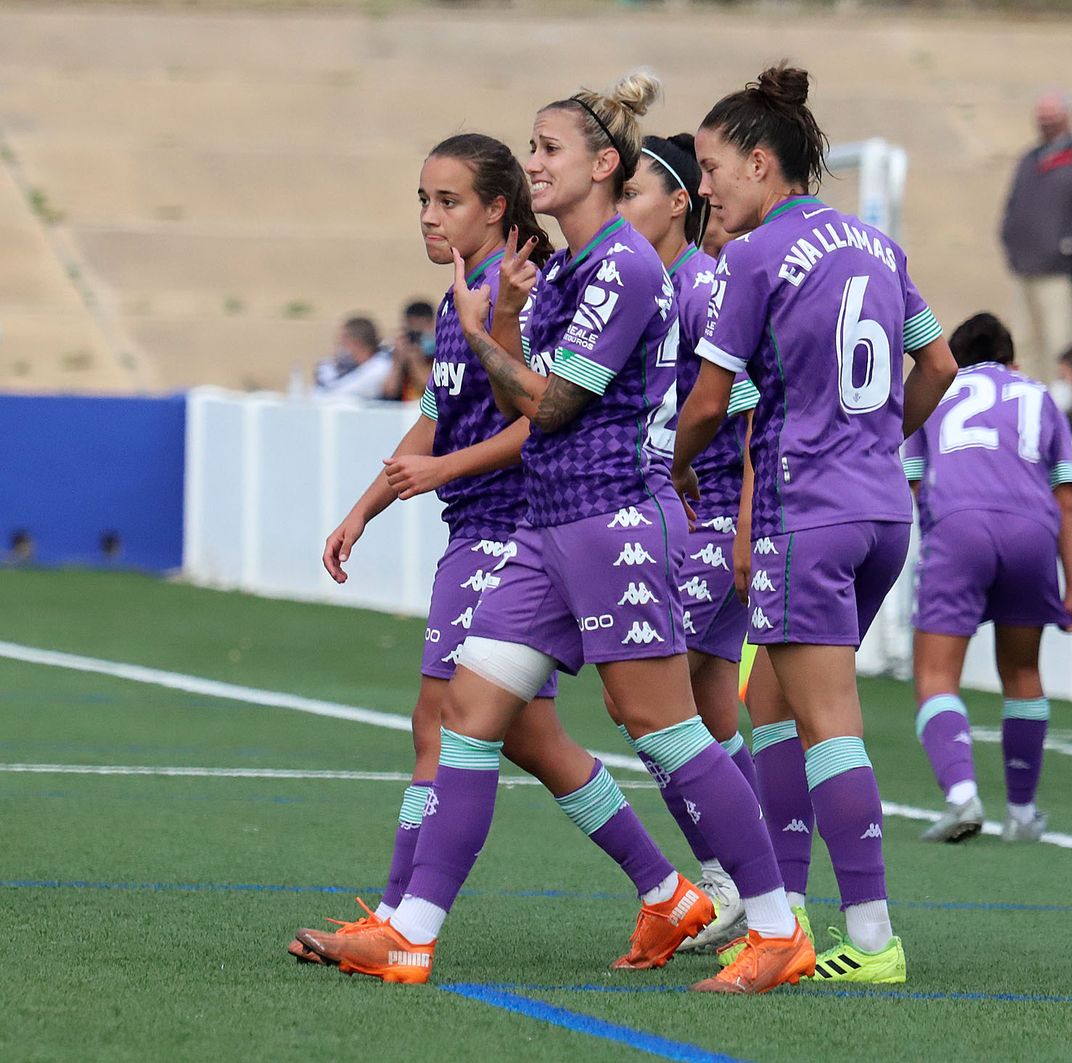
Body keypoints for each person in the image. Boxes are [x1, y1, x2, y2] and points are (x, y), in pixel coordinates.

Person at [300, 74, 801, 993]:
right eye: (530, 148)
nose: (533, 162)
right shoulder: (568, 269)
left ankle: (775, 924)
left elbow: (554, 405)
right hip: (546, 526)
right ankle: (409, 933)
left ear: (603, 166)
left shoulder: (626, 265)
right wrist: (499, 319)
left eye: (549, 149)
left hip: (612, 520)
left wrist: (481, 327)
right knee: (468, 715)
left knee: (663, 727)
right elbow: (513, 394)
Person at [291, 134, 687, 975]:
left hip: (512, 526)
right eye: (424, 201)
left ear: (497, 208)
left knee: (442, 722)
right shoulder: (458, 301)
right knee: (532, 740)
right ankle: (667, 893)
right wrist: (365, 506)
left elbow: (533, 417)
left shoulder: (528, 292)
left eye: (450, 201)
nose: (431, 218)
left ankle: (399, 917)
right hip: (481, 525)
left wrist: (436, 471)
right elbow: (437, 416)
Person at [676, 64, 958, 987]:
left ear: (763, 163)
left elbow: (711, 403)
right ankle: (786, 914)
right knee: (772, 706)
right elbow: (941, 366)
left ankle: (872, 939)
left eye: (713, 165)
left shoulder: (753, 258)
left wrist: (673, 465)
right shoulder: (877, 246)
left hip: (809, 513)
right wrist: (875, 438)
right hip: (881, 509)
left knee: (829, 721)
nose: (704, 184)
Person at [617, 132, 760, 953]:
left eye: (635, 192)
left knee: (646, 702)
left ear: (681, 203)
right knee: (705, 705)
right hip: (674, 516)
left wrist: (743, 525)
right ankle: (753, 872)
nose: (622, 209)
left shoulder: (704, 287)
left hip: (708, 524)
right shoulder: (643, 285)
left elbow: (743, 416)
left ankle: (732, 875)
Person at [901, 312, 1072, 844]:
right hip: (1033, 530)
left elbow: (911, 483)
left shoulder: (940, 387)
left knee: (936, 676)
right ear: (1013, 361)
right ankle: (1023, 815)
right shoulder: (1038, 395)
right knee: (1023, 670)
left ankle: (962, 797)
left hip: (960, 527)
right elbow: (1066, 503)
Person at [999, 89, 1072, 381]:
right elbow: (1013, 205)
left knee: (1058, 343)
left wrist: (1068, 243)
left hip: (1059, 273)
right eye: (1041, 118)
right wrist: (1010, 239)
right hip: (1024, 269)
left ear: (1067, 118)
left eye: (1052, 118)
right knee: (1023, 343)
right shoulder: (1029, 160)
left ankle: (1058, 408)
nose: (1045, 124)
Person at [314, 316, 393, 400]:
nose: (340, 348)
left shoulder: (379, 368)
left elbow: (333, 394)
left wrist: (327, 368)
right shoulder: (353, 367)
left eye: (342, 343)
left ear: (356, 343)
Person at [383, 299, 438, 402]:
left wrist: (415, 360)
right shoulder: (398, 354)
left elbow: (431, 388)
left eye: (421, 330)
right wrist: (398, 359)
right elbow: (390, 390)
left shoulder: (440, 353)